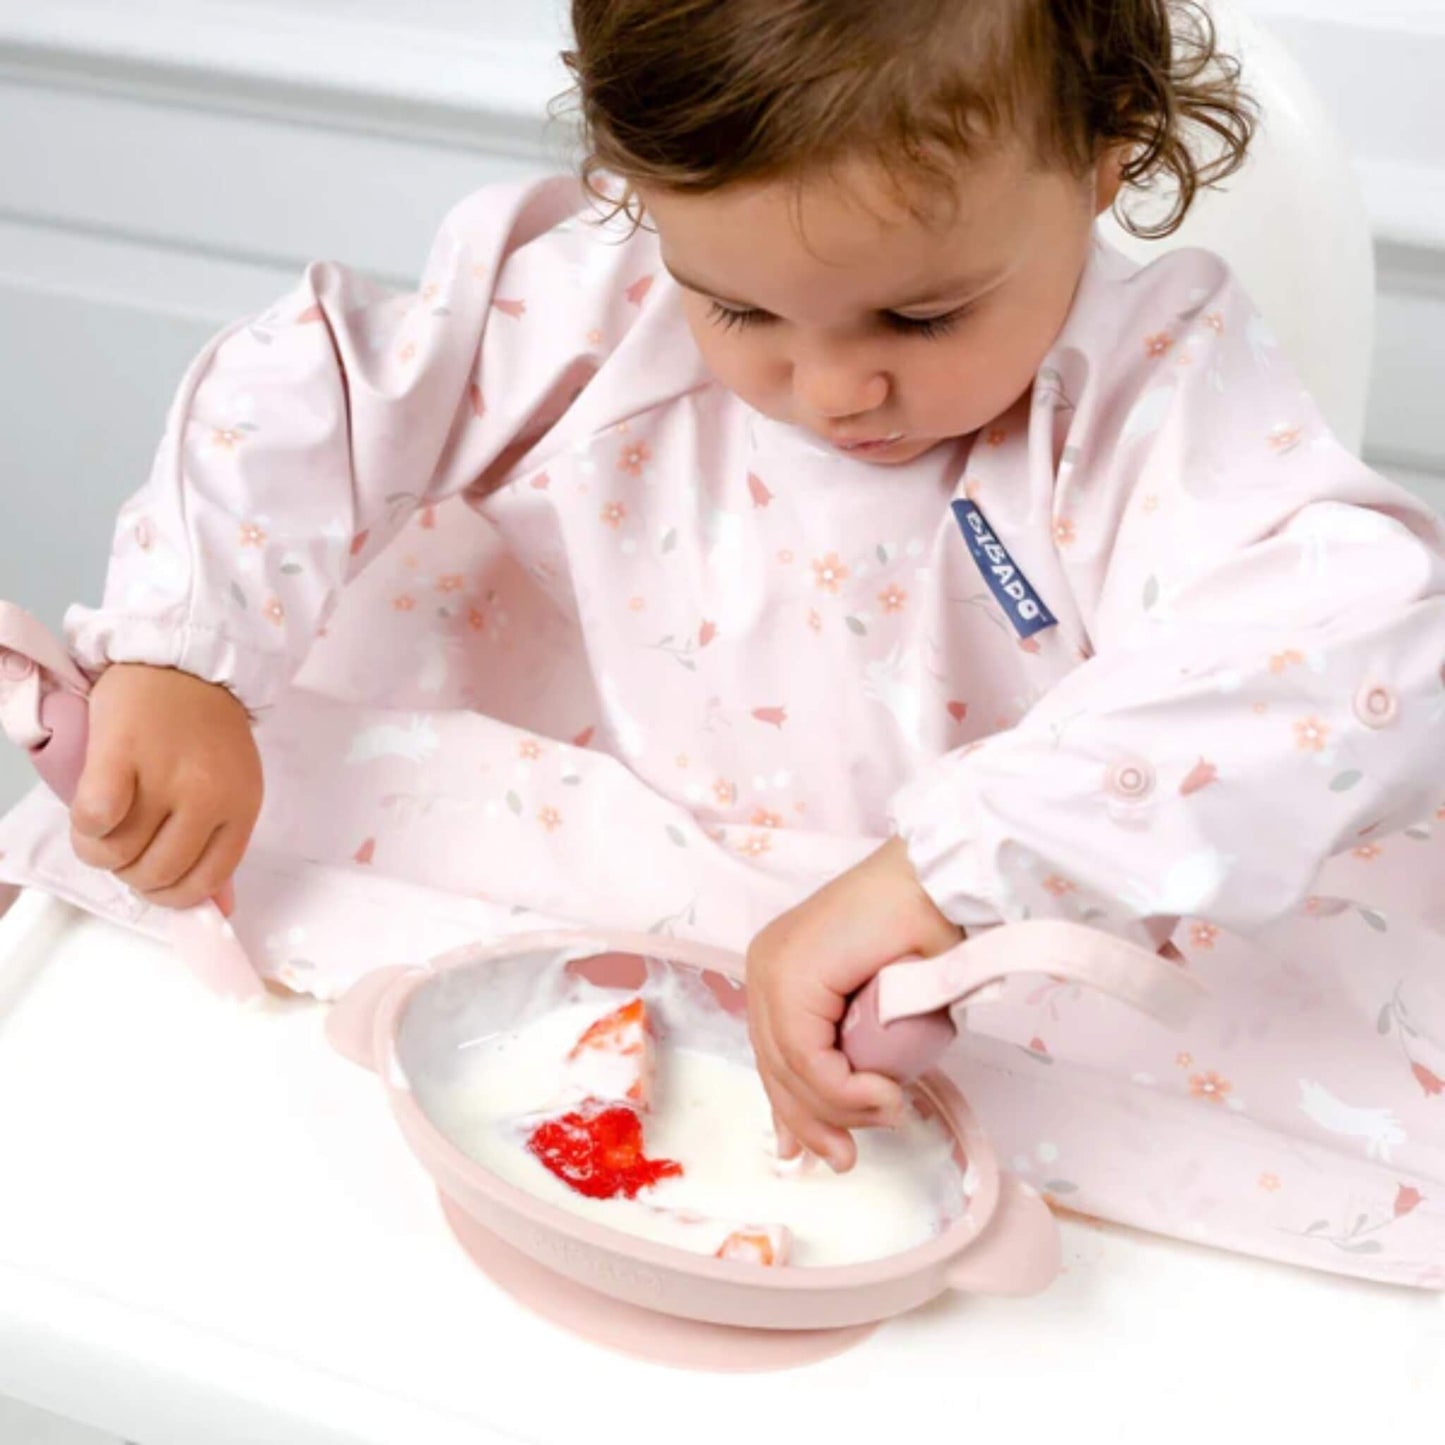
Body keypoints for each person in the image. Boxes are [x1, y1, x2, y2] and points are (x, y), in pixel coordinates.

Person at [49, 0, 1444, 1190]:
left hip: (979, 966)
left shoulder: (1150, 393)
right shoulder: (602, 305)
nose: (833, 390)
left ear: (1101, 155)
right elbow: (324, 388)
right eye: (740, 309)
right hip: (636, 886)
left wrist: (945, 874)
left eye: (919, 315)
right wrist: (188, 649)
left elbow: (1359, 633)